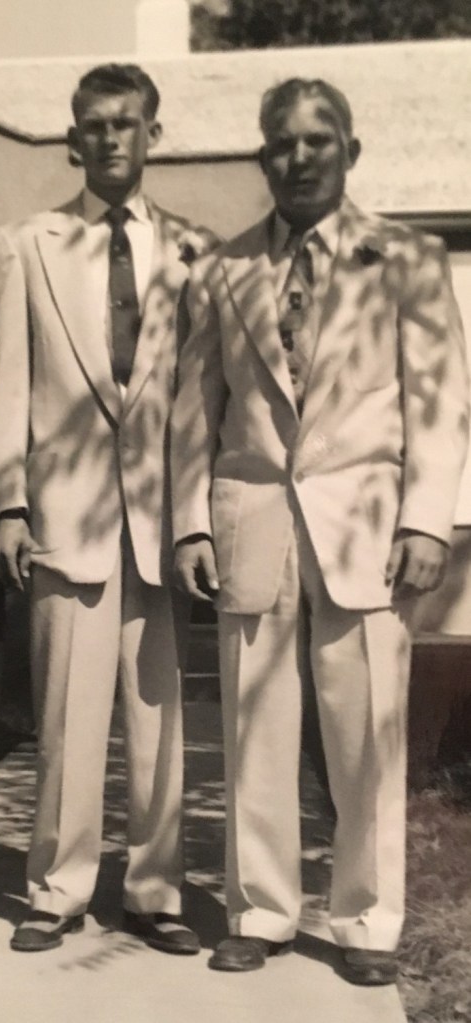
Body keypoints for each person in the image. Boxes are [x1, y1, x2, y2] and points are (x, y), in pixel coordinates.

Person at [171, 78, 469, 983]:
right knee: (254, 727)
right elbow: (195, 409)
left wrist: (428, 520)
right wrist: (190, 525)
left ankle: (368, 920)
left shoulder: (408, 259)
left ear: (351, 151)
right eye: (281, 143)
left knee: (366, 731)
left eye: (317, 141)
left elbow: (440, 402)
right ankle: (258, 909)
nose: (298, 159)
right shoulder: (222, 270)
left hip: (368, 529)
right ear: (262, 157)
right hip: (252, 519)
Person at [0, 63, 215, 953]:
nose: (110, 136)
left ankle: (156, 891)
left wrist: (194, 522)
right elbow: (8, 387)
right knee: (65, 716)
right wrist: (7, 505)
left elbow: (197, 406)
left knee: (160, 717)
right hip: (64, 514)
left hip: (162, 523)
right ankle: (57, 887)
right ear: (73, 138)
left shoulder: (194, 249)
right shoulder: (26, 243)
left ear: (153, 135)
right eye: (94, 123)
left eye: (126, 122)